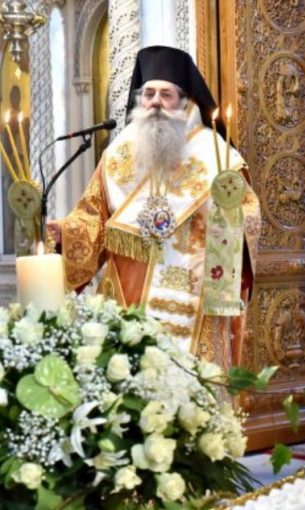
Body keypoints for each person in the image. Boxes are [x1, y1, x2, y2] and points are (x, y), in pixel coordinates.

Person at [46, 46, 261, 370]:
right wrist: (68, 232)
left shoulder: (217, 154)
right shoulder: (118, 153)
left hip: (192, 293)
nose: (155, 102)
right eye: (148, 94)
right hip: (128, 297)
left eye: (166, 94)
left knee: (191, 384)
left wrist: (224, 240)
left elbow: (247, 214)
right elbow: (94, 216)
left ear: (185, 101)